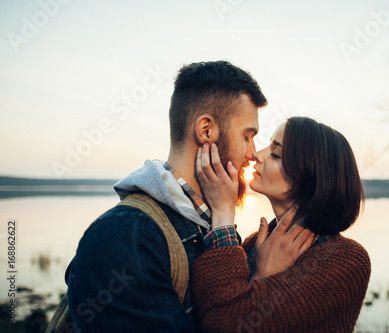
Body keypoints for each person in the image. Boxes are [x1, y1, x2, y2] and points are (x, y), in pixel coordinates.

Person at [65, 61, 267, 332]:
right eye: (247, 136)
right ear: (206, 131)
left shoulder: (211, 225)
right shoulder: (127, 236)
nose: (253, 153)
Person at [192, 116, 371, 333]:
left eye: (276, 153)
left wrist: (223, 213)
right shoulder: (254, 244)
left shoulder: (346, 260)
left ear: (312, 178)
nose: (257, 155)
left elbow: (228, 325)